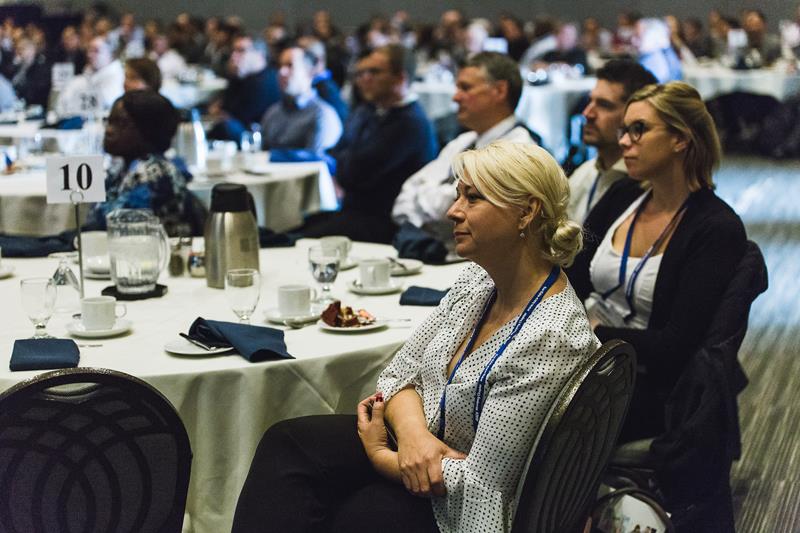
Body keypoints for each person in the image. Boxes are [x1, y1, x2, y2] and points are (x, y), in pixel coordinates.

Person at [232, 140, 598, 532]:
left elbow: (485, 484)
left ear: (526, 212)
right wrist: (414, 437)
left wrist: (381, 455)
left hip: (473, 510)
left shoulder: (550, 337)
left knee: (360, 513)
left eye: (472, 198)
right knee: (288, 442)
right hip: (429, 445)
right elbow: (397, 375)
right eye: (458, 195)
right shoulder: (479, 280)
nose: (452, 211)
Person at [566, 82, 747, 442]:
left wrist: (591, 334)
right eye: (624, 130)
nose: (624, 142)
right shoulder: (623, 195)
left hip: (644, 385)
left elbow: (675, 346)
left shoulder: (715, 228)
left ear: (681, 139)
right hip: (585, 355)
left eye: (639, 130)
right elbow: (572, 278)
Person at [297, 44, 438, 243]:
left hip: (385, 224)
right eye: (361, 73)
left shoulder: (410, 123)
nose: (364, 79)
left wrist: (345, 162)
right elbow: (336, 152)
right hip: (355, 213)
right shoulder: (368, 111)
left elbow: (353, 173)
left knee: (298, 240)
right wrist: (346, 160)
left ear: (400, 78)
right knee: (292, 226)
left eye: (374, 72)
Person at [392, 52, 537, 245]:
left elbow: (450, 209)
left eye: (465, 88)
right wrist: (433, 207)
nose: (455, 97)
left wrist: (426, 199)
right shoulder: (464, 141)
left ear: (500, 91)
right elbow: (404, 198)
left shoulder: (518, 149)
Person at [567, 60, 658, 223]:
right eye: (590, 101)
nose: (587, 113)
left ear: (635, 116)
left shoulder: (651, 187)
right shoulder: (584, 174)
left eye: (604, 105)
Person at [89, 90, 190, 236]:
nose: (109, 130)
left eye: (121, 123)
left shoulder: (156, 174)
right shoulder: (120, 169)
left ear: (148, 130)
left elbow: (116, 232)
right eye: (109, 121)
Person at [260, 45, 342, 154]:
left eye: (290, 65)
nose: (281, 72)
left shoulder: (322, 115)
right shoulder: (272, 113)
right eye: (279, 66)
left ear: (309, 73)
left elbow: (314, 164)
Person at [206, 34, 280, 144]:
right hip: (244, 134)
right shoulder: (243, 76)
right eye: (233, 51)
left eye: (241, 51)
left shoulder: (266, 81)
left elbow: (230, 116)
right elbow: (223, 108)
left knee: (226, 127)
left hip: (256, 140)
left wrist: (222, 112)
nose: (233, 56)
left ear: (259, 55)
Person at [55, 36, 124, 117]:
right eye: (89, 50)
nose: (89, 55)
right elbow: (61, 105)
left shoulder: (116, 77)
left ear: (111, 55)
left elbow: (105, 103)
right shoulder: (81, 78)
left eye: (96, 51)